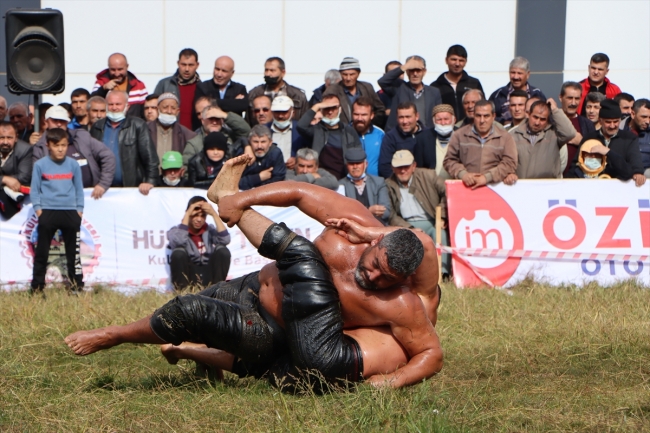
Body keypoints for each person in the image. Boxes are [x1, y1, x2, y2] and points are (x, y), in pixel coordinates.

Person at [65, 155, 443, 390]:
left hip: (273, 331)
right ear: (374, 243)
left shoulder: (401, 304)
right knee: (189, 307)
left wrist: (392, 382)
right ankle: (192, 354)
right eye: (376, 267)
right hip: (255, 283)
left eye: (387, 279)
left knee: (190, 314)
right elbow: (299, 192)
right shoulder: (353, 224)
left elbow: (430, 353)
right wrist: (244, 197)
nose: (375, 279)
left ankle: (112, 336)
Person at [30, 128, 84, 294]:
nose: (60, 149)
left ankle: (76, 287)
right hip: (48, 211)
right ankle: (37, 287)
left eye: (63, 145)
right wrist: (39, 210)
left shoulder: (73, 164)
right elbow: (34, 189)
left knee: (73, 253)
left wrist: (79, 211)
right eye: (56, 145)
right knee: (42, 252)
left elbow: (79, 189)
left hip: (70, 212)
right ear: (48, 145)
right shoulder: (40, 165)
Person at [385, 149, 449, 275]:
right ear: (393, 168)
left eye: (406, 167)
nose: (403, 170)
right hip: (406, 224)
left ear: (414, 166)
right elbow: (391, 213)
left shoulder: (429, 175)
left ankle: (443, 273)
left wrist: (441, 216)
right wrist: (409, 228)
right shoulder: (388, 184)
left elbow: (448, 192)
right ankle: (415, 275)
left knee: (440, 234)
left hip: (431, 221)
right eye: (399, 167)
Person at [32, 106, 116, 200]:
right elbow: (37, 175)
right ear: (46, 121)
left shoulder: (82, 136)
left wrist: (103, 184)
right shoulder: (40, 146)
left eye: (62, 121)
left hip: (91, 197)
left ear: (67, 122)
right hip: (58, 199)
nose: (59, 124)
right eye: (55, 120)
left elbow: (108, 156)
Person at [89, 90, 159, 195]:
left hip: (130, 188)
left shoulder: (138, 125)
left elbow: (150, 158)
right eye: (111, 104)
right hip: (102, 189)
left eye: (118, 104)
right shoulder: (97, 127)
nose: (114, 107)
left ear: (127, 106)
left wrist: (150, 181)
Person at [567, 100, 646, 186]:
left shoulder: (629, 139)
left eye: (616, 122)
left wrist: (608, 152)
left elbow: (630, 170)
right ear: (600, 121)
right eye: (608, 122)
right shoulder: (589, 138)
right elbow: (575, 166)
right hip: (590, 187)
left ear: (620, 120)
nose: (612, 126)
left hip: (619, 189)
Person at [444, 100, 518, 187]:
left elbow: (510, 163)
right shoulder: (459, 135)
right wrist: (462, 174)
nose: (482, 120)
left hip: (494, 189)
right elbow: (449, 160)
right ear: (473, 116)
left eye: (486, 116)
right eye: (478, 116)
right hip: (466, 188)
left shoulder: (505, 137)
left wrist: (487, 177)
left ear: (493, 116)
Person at [505, 98, 576, 184]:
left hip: (549, 188)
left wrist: (555, 110)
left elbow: (570, 133)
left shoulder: (554, 134)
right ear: (528, 114)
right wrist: (508, 174)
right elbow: (505, 160)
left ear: (548, 120)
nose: (537, 122)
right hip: (521, 187)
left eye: (542, 119)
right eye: (535, 117)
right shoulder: (513, 134)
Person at [167, 196, 231, 291]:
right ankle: (183, 293)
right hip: (189, 274)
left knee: (223, 250)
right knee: (178, 253)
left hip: (208, 273)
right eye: (195, 215)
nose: (199, 219)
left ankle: (217, 290)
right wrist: (188, 213)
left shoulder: (210, 230)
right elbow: (179, 240)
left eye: (203, 216)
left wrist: (214, 214)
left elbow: (225, 240)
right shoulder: (175, 230)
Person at [297, 94, 362, 179]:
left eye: (334, 108)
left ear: (340, 109)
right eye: (326, 108)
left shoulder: (349, 131)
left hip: (344, 180)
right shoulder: (316, 130)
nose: (330, 112)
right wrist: (317, 106)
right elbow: (301, 126)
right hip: (321, 180)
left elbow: (358, 155)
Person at [379, 56, 442, 131]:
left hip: (425, 136)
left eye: (418, 70)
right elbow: (382, 81)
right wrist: (404, 67)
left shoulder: (434, 92)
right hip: (401, 136)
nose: (415, 74)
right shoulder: (399, 88)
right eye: (411, 70)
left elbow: (439, 115)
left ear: (424, 72)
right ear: (407, 71)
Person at [183, 104, 251, 171]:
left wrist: (226, 115)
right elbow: (186, 169)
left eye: (217, 118)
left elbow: (246, 131)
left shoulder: (229, 136)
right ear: (202, 121)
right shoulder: (194, 144)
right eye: (211, 119)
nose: (214, 122)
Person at [323, 57, 386, 129]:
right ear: (340, 74)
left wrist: (367, 124)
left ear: (358, 74)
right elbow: (325, 113)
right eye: (345, 74)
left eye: (352, 74)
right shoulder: (332, 90)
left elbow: (380, 109)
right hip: (342, 133)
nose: (348, 78)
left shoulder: (367, 87)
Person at [247, 57, 308, 125]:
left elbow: (305, 121)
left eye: (272, 70)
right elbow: (248, 121)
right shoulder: (254, 94)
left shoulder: (298, 95)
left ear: (283, 72)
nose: (268, 74)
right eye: (266, 70)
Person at [429, 45, 484, 120]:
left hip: (470, 128)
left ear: (465, 62)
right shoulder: (435, 86)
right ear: (446, 60)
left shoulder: (474, 83)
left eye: (461, 60)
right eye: (454, 59)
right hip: (445, 128)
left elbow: (483, 107)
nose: (457, 64)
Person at [339, 148, 390, 225]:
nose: (355, 166)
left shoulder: (378, 182)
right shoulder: (341, 185)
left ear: (366, 164)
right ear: (347, 165)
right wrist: (368, 211)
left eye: (358, 163)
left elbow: (386, 212)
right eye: (351, 164)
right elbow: (342, 213)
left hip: (377, 227)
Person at [489, 57, 546, 124]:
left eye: (519, 73)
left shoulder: (537, 94)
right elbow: (489, 116)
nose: (515, 77)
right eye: (513, 72)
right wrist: (504, 123)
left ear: (528, 74)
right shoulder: (498, 95)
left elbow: (545, 116)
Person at [154, 49, 201, 130]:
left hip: (194, 135)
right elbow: (154, 110)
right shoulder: (164, 84)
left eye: (191, 65)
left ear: (197, 65)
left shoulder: (202, 88)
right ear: (178, 63)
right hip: (169, 134)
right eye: (183, 64)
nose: (187, 69)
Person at [91, 53, 148, 119]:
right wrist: (103, 89)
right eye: (113, 70)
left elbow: (145, 112)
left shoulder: (139, 86)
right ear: (108, 67)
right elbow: (91, 104)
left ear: (127, 67)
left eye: (120, 69)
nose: (117, 74)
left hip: (133, 127)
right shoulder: (101, 83)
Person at [558, 81, 596, 176]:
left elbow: (596, 152)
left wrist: (581, 142)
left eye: (577, 98)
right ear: (560, 98)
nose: (573, 103)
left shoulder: (588, 124)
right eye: (570, 98)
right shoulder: (551, 121)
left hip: (579, 179)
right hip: (555, 179)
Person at [378, 101, 424, 178]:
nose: (405, 121)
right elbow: (385, 167)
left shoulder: (427, 134)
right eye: (401, 117)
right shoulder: (390, 137)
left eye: (408, 117)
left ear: (417, 116)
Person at [146, 93, 196, 163]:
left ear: (177, 111)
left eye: (173, 108)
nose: (169, 111)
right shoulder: (144, 129)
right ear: (158, 109)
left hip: (173, 173)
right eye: (165, 107)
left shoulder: (188, 135)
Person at [413, 104, 456, 179]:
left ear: (454, 120)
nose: (443, 123)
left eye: (446, 119)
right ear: (433, 121)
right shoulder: (422, 138)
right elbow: (419, 168)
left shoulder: (462, 136)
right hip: (431, 185)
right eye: (439, 119)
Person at [0, 121, 32, 219]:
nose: (5, 142)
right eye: (1, 137)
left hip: (15, 197)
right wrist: (4, 179)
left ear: (16, 137)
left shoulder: (25, 149)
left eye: (9, 138)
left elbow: (24, 177)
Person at [239, 125, 286, 190]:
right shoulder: (242, 153)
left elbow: (278, 181)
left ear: (270, 142)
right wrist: (258, 177)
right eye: (255, 142)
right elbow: (235, 182)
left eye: (263, 142)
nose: (259, 146)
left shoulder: (276, 154)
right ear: (249, 142)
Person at [267, 96, 307, 170]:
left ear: (293, 112)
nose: (280, 116)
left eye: (284, 112)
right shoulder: (264, 129)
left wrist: (297, 160)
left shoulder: (301, 130)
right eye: (277, 112)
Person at [352, 97, 385, 177]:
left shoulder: (380, 134)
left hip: (376, 184)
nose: (359, 118)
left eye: (364, 115)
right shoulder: (345, 133)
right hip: (351, 184)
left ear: (371, 115)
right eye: (356, 114)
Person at [628, 99, 650, 178]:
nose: (647, 121)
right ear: (633, 114)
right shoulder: (617, 130)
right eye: (644, 117)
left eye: (649, 117)